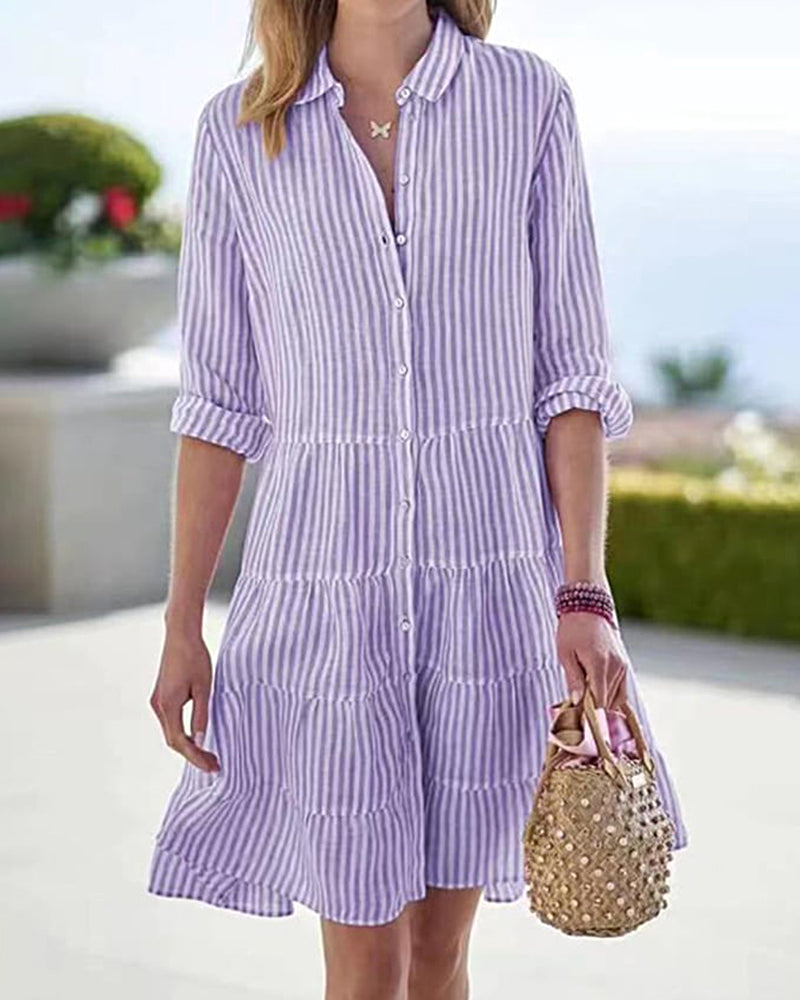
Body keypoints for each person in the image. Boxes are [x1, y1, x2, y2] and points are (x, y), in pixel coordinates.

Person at [147, 1, 688, 997]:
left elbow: (570, 376)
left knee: (438, 956)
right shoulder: (241, 131)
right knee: (364, 966)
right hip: (326, 600)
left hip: (486, 597)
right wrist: (183, 623)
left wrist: (583, 590)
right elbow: (218, 406)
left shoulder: (524, 101)